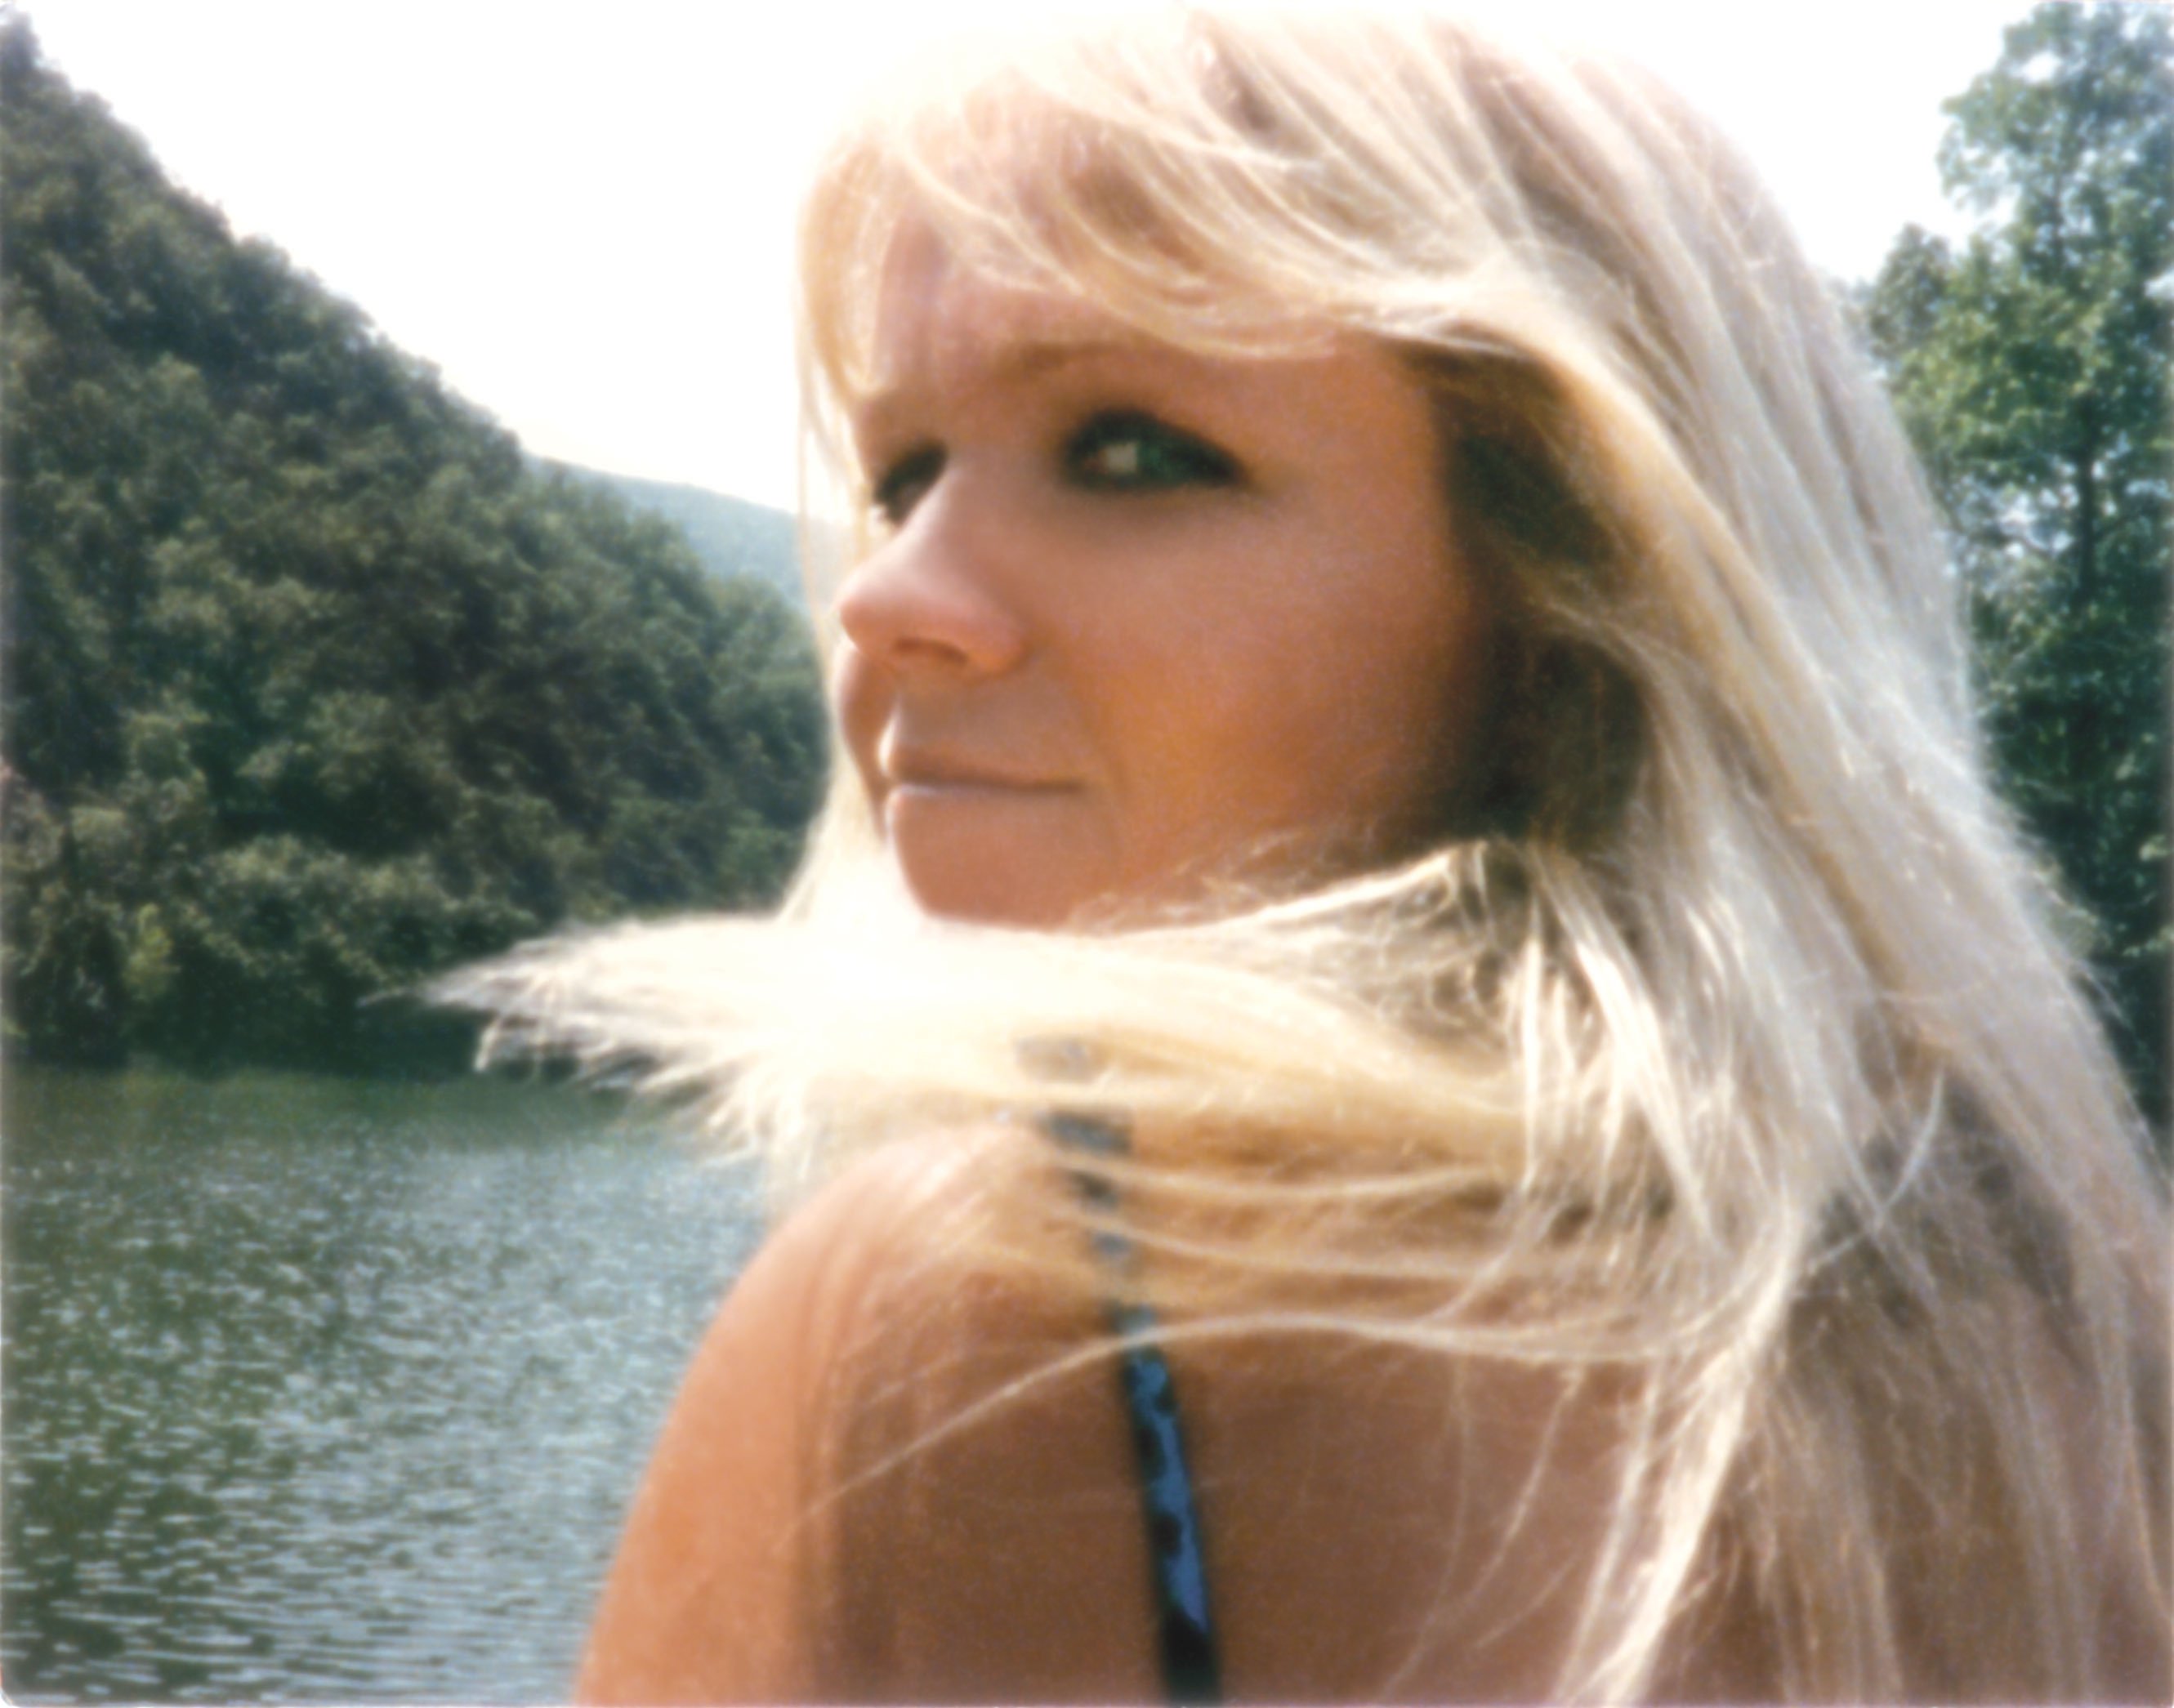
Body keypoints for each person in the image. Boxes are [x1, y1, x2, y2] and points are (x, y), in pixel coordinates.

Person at [444, 7, 2171, 1701]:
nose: (887, 594)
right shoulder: (2087, 1327)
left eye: (1130, 450)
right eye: (901, 474)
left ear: (1573, 594)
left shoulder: (961, 1329)